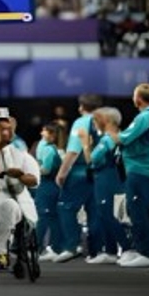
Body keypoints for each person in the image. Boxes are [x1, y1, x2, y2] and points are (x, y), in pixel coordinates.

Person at [108, 83, 149, 268]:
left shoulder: (145, 116)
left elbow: (124, 138)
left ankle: (146, 252)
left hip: (140, 169)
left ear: (138, 99)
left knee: (138, 212)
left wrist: (110, 130)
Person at [53, 94, 103, 263]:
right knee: (95, 212)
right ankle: (96, 251)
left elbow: (74, 151)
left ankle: (71, 246)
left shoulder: (81, 122)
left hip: (79, 172)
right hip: (99, 172)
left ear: (81, 107)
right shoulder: (104, 121)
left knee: (65, 208)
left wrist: (62, 173)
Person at [0, 108, 39, 270]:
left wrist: (20, 175)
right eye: (2, 130)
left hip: (8, 198)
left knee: (9, 207)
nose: (6, 133)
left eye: (9, 130)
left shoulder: (20, 155)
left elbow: (34, 180)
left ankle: (1, 249)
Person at [87, 106, 128, 264]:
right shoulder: (110, 137)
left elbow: (94, 159)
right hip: (105, 177)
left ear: (108, 121)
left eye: (97, 119)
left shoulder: (108, 139)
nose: (94, 123)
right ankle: (110, 250)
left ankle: (126, 247)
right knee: (103, 214)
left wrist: (86, 145)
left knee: (109, 213)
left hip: (108, 177)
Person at [34, 122, 67, 261]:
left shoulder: (49, 149)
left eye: (45, 131)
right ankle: (55, 247)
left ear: (52, 135)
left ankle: (38, 248)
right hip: (49, 186)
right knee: (51, 217)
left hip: (48, 186)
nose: (42, 133)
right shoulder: (44, 146)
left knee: (44, 217)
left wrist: (32, 170)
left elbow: (46, 169)